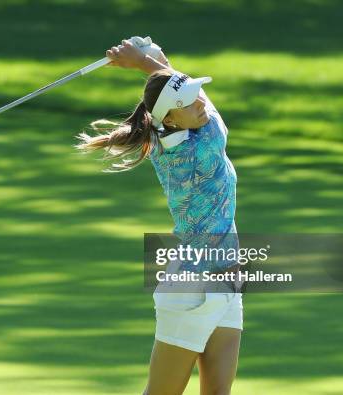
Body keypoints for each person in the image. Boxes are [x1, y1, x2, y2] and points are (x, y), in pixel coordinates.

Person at [75, 40, 243, 395]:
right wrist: (144, 62)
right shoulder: (201, 144)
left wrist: (151, 59)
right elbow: (178, 89)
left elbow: (168, 84)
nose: (200, 103)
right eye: (190, 101)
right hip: (192, 289)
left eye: (199, 94)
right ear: (170, 117)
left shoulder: (164, 133)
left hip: (226, 286)